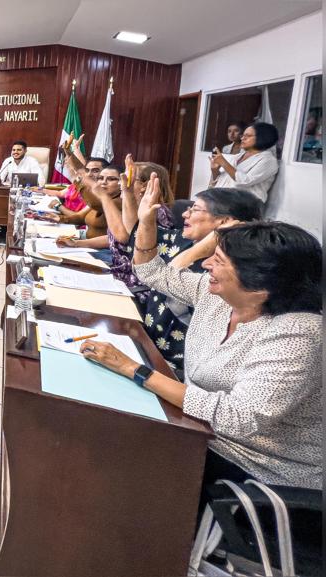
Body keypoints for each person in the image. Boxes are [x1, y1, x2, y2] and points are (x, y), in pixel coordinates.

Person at [82, 180, 321, 492]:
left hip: (258, 469)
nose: (205, 264)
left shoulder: (298, 333)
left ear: (260, 285)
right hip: (198, 430)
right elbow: (153, 272)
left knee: (111, 451)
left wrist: (132, 369)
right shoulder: (217, 297)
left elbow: (239, 417)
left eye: (218, 261)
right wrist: (146, 220)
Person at [131, 187, 262, 371]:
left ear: (225, 222)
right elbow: (145, 259)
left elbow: (165, 279)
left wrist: (209, 243)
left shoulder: (229, 270)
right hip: (146, 336)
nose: (185, 214)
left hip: (174, 362)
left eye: (195, 210)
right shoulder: (183, 238)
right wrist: (145, 219)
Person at [209, 122, 279, 203]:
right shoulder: (237, 157)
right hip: (221, 200)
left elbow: (245, 181)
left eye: (248, 136)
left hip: (244, 204)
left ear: (262, 138)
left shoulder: (268, 160)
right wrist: (215, 170)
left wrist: (224, 163)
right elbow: (220, 182)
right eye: (243, 135)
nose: (242, 138)